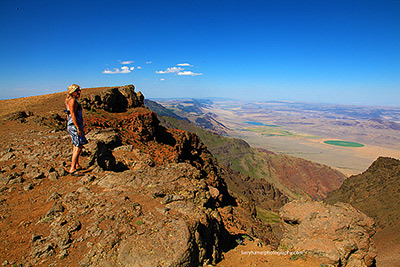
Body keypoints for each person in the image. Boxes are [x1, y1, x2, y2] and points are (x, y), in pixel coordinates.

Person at [65, 84, 88, 175]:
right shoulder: (72, 101)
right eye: (77, 91)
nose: (79, 92)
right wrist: (77, 127)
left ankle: (77, 165)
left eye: (79, 90)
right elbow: (73, 115)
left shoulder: (72, 100)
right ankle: (72, 168)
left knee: (77, 145)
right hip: (75, 126)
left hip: (74, 125)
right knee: (78, 146)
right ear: (72, 92)